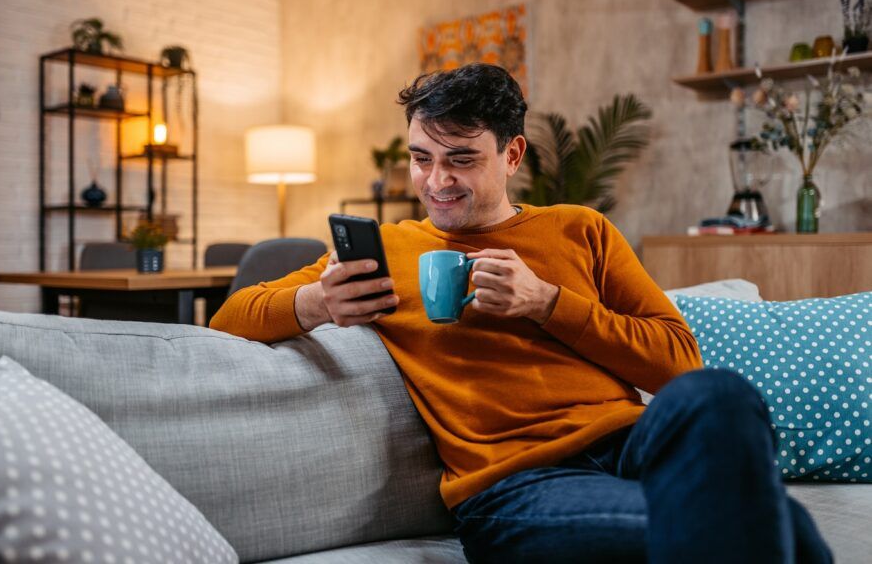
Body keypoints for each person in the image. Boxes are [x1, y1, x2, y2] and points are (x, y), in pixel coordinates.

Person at [210, 63, 831, 563]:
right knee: (775, 529)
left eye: (462, 159)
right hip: (515, 487)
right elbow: (230, 317)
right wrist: (317, 301)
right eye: (422, 156)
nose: (436, 180)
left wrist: (548, 304)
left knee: (720, 395)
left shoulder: (579, 229)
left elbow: (679, 362)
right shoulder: (392, 249)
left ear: (512, 156)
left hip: (632, 446)